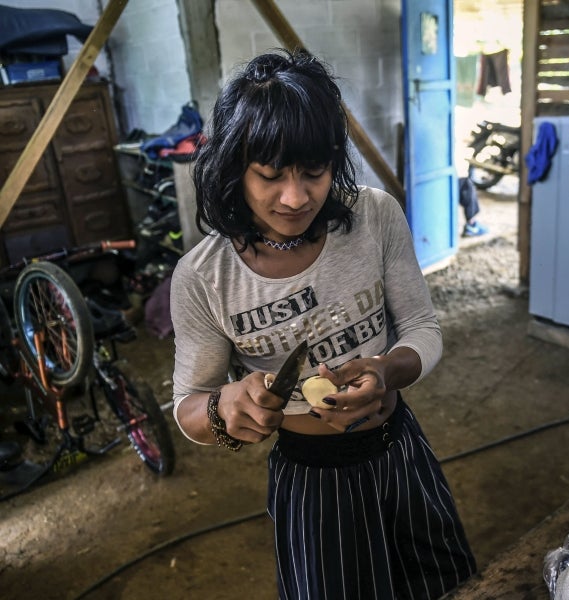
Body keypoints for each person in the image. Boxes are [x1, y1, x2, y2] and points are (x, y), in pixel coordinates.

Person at [169, 48, 476, 599]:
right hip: (311, 481)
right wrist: (223, 408)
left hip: (399, 450)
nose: (296, 197)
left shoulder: (375, 216)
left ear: (335, 160)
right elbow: (190, 407)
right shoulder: (203, 277)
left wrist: (385, 372)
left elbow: (424, 330)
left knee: (446, 585)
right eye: (269, 176)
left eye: (315, 172)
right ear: (234, 168)